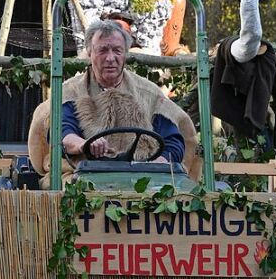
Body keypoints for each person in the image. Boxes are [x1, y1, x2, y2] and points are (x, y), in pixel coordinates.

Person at [27, 20, 200, 179]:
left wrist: (159, 164)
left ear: (125, 53)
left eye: (117, 50)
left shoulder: (148, 94)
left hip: (143, 178)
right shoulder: (71, 92)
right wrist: (83, 144)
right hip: (83, 174)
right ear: (90, 53)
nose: (110, 58)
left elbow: (173, 141)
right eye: (102, 50)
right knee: (71, 190)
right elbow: (61, 131)